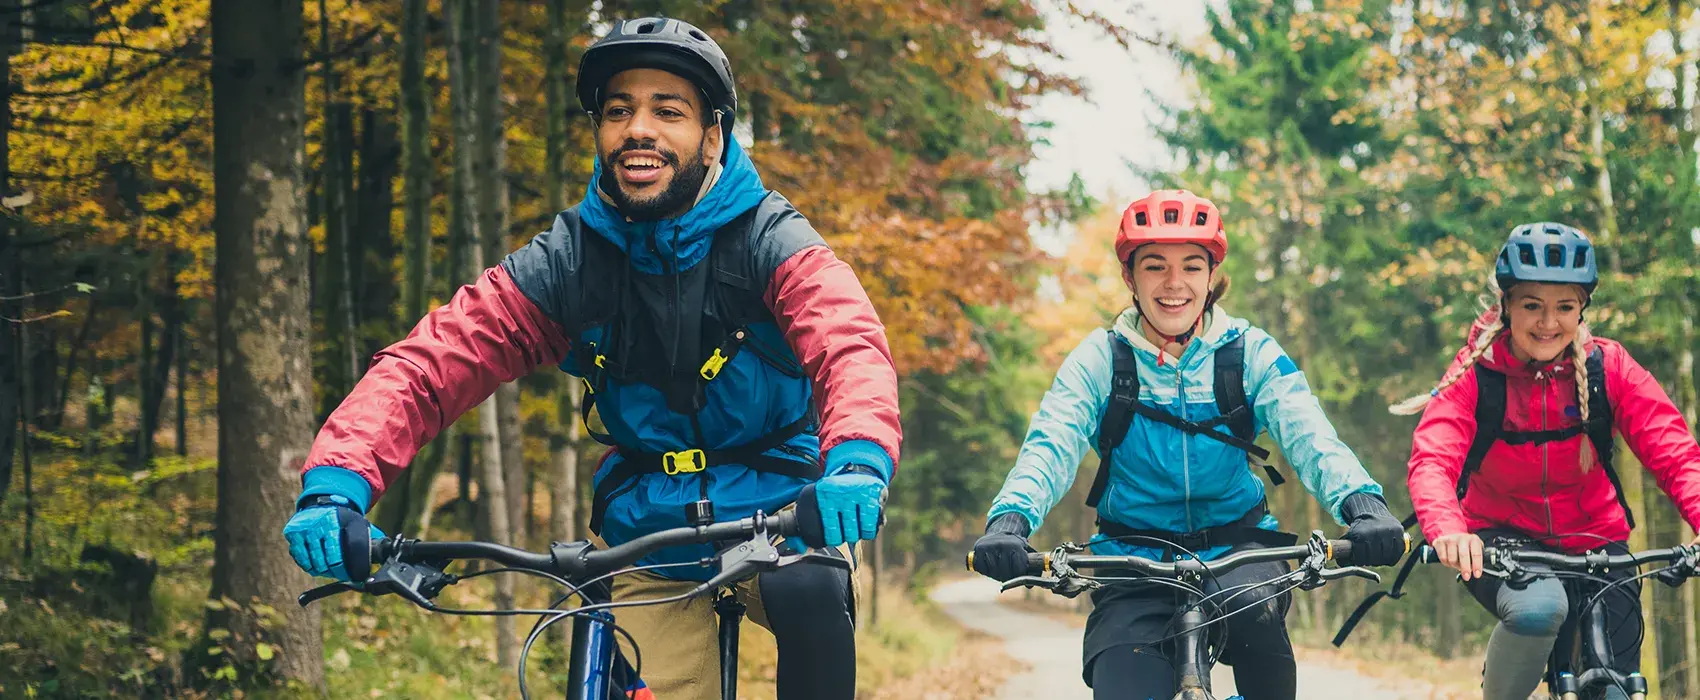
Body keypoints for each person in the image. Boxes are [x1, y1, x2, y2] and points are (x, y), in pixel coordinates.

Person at [281, 17, 901, 700]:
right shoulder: (572, 261)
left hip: (785, 513)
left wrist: (858, 459)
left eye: (669, 111)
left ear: (713, 136)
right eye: (618, 111)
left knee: (810, 586)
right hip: (647, 529)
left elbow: (847, 341)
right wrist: (338, 481)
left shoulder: (768, 238)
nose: (639, 129)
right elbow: (433, 362)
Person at [969, 189, 1406, 700]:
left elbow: (1310, 434)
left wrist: (1364, 506)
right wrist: (1010, 523)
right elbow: (1051, 442)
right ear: (1131, 277)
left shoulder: (1249, 353)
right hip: (1132, 557)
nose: (1174, 284)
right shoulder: (1100, 360)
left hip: (1240, 550)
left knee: (1259, 624)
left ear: (1211, 276)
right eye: (1155, 266)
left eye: (1191, 267)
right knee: (1121, 682)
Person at [1400, 222, 1700, 700]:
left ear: (1582, 310)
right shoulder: (1479, 374)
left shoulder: (1610, 367)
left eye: (1565, 307)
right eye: (1532, 305)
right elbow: (1433, 458)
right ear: (1507, 306)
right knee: (1539, 608)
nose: (1548, 323)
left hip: (1598, 541)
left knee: (1618, 691)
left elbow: (1676, 452)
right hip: (1503, 540)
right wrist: (1448, 530)